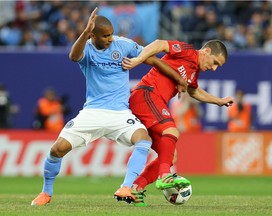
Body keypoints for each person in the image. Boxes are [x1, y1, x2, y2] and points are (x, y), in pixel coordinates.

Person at [31, 7, 187, 207]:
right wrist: (84, 33)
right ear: (92, 36)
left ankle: (126, 187)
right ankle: (46, 193)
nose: (110, 39)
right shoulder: (85, 48)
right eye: (105, 36)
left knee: (143, 139)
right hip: (92, 112)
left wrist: (178, 79)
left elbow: (154, 60)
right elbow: (73, 56)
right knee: (57, 150)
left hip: (120, 114)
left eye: (111, 34)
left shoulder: (123, 45)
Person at [116, 39, 234, 206]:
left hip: (153, 102)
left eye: (218, 66)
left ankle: (136, 188)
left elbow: (194, 91)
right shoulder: (187, 51)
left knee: (171, 156)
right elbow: (159, 44)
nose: (214, 68)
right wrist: (139, 59)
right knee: (171, 131)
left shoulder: (194, 71)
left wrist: (219, 101)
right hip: (147, 94)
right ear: (206, 51)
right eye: (215, 62)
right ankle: (165, 176)